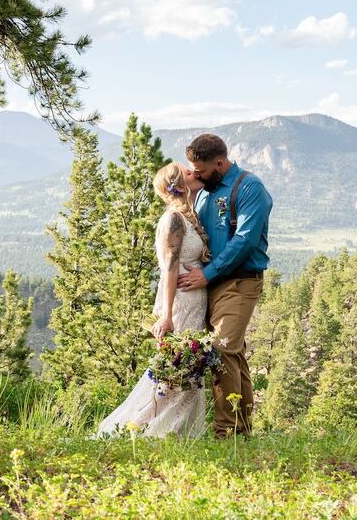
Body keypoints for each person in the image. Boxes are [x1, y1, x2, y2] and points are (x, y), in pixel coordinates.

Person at [95, 162, 212, 438]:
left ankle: (176, 433)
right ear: (179, 184)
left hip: (194, 301)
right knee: (175, 371)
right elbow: (169, 268)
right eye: (188, 171)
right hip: (180, 302)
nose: (195, 172)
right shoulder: (173, 219)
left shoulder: (188, 216)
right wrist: (167, 315)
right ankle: (138, 429)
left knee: (188, 371)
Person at [178, 133, 273, 437]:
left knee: (220, 349)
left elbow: (244, 240)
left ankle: (225, 431)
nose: (198, 176)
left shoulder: (249, 187)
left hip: (240, 282)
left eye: (202, 170)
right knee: (233, 354)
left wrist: (207, 273)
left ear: (219, 163)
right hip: (211, 285)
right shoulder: (204, 192)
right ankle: (241, 431)